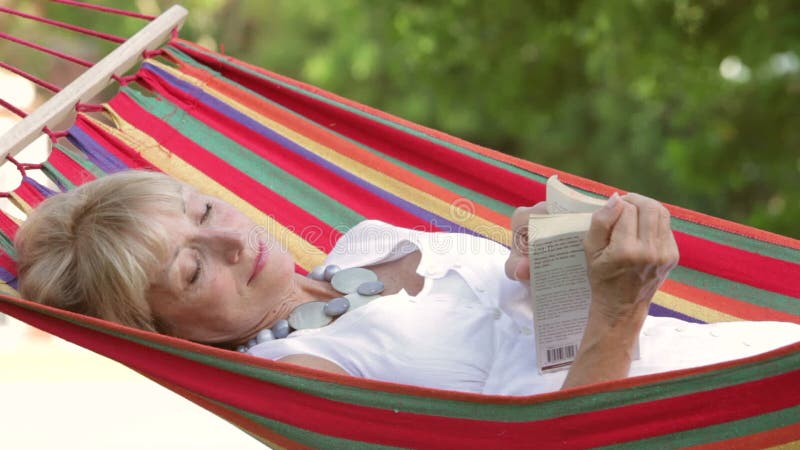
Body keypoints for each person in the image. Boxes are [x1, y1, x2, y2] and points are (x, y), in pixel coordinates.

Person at [14, 170, 800, 395]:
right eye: (190, 268)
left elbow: (542, 341)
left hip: (744, 360)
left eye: (205, 208)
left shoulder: (368, 239)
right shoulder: (302, 384)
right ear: (169, 336)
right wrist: (618, 313)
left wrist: (552, 261)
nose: (229, 237)